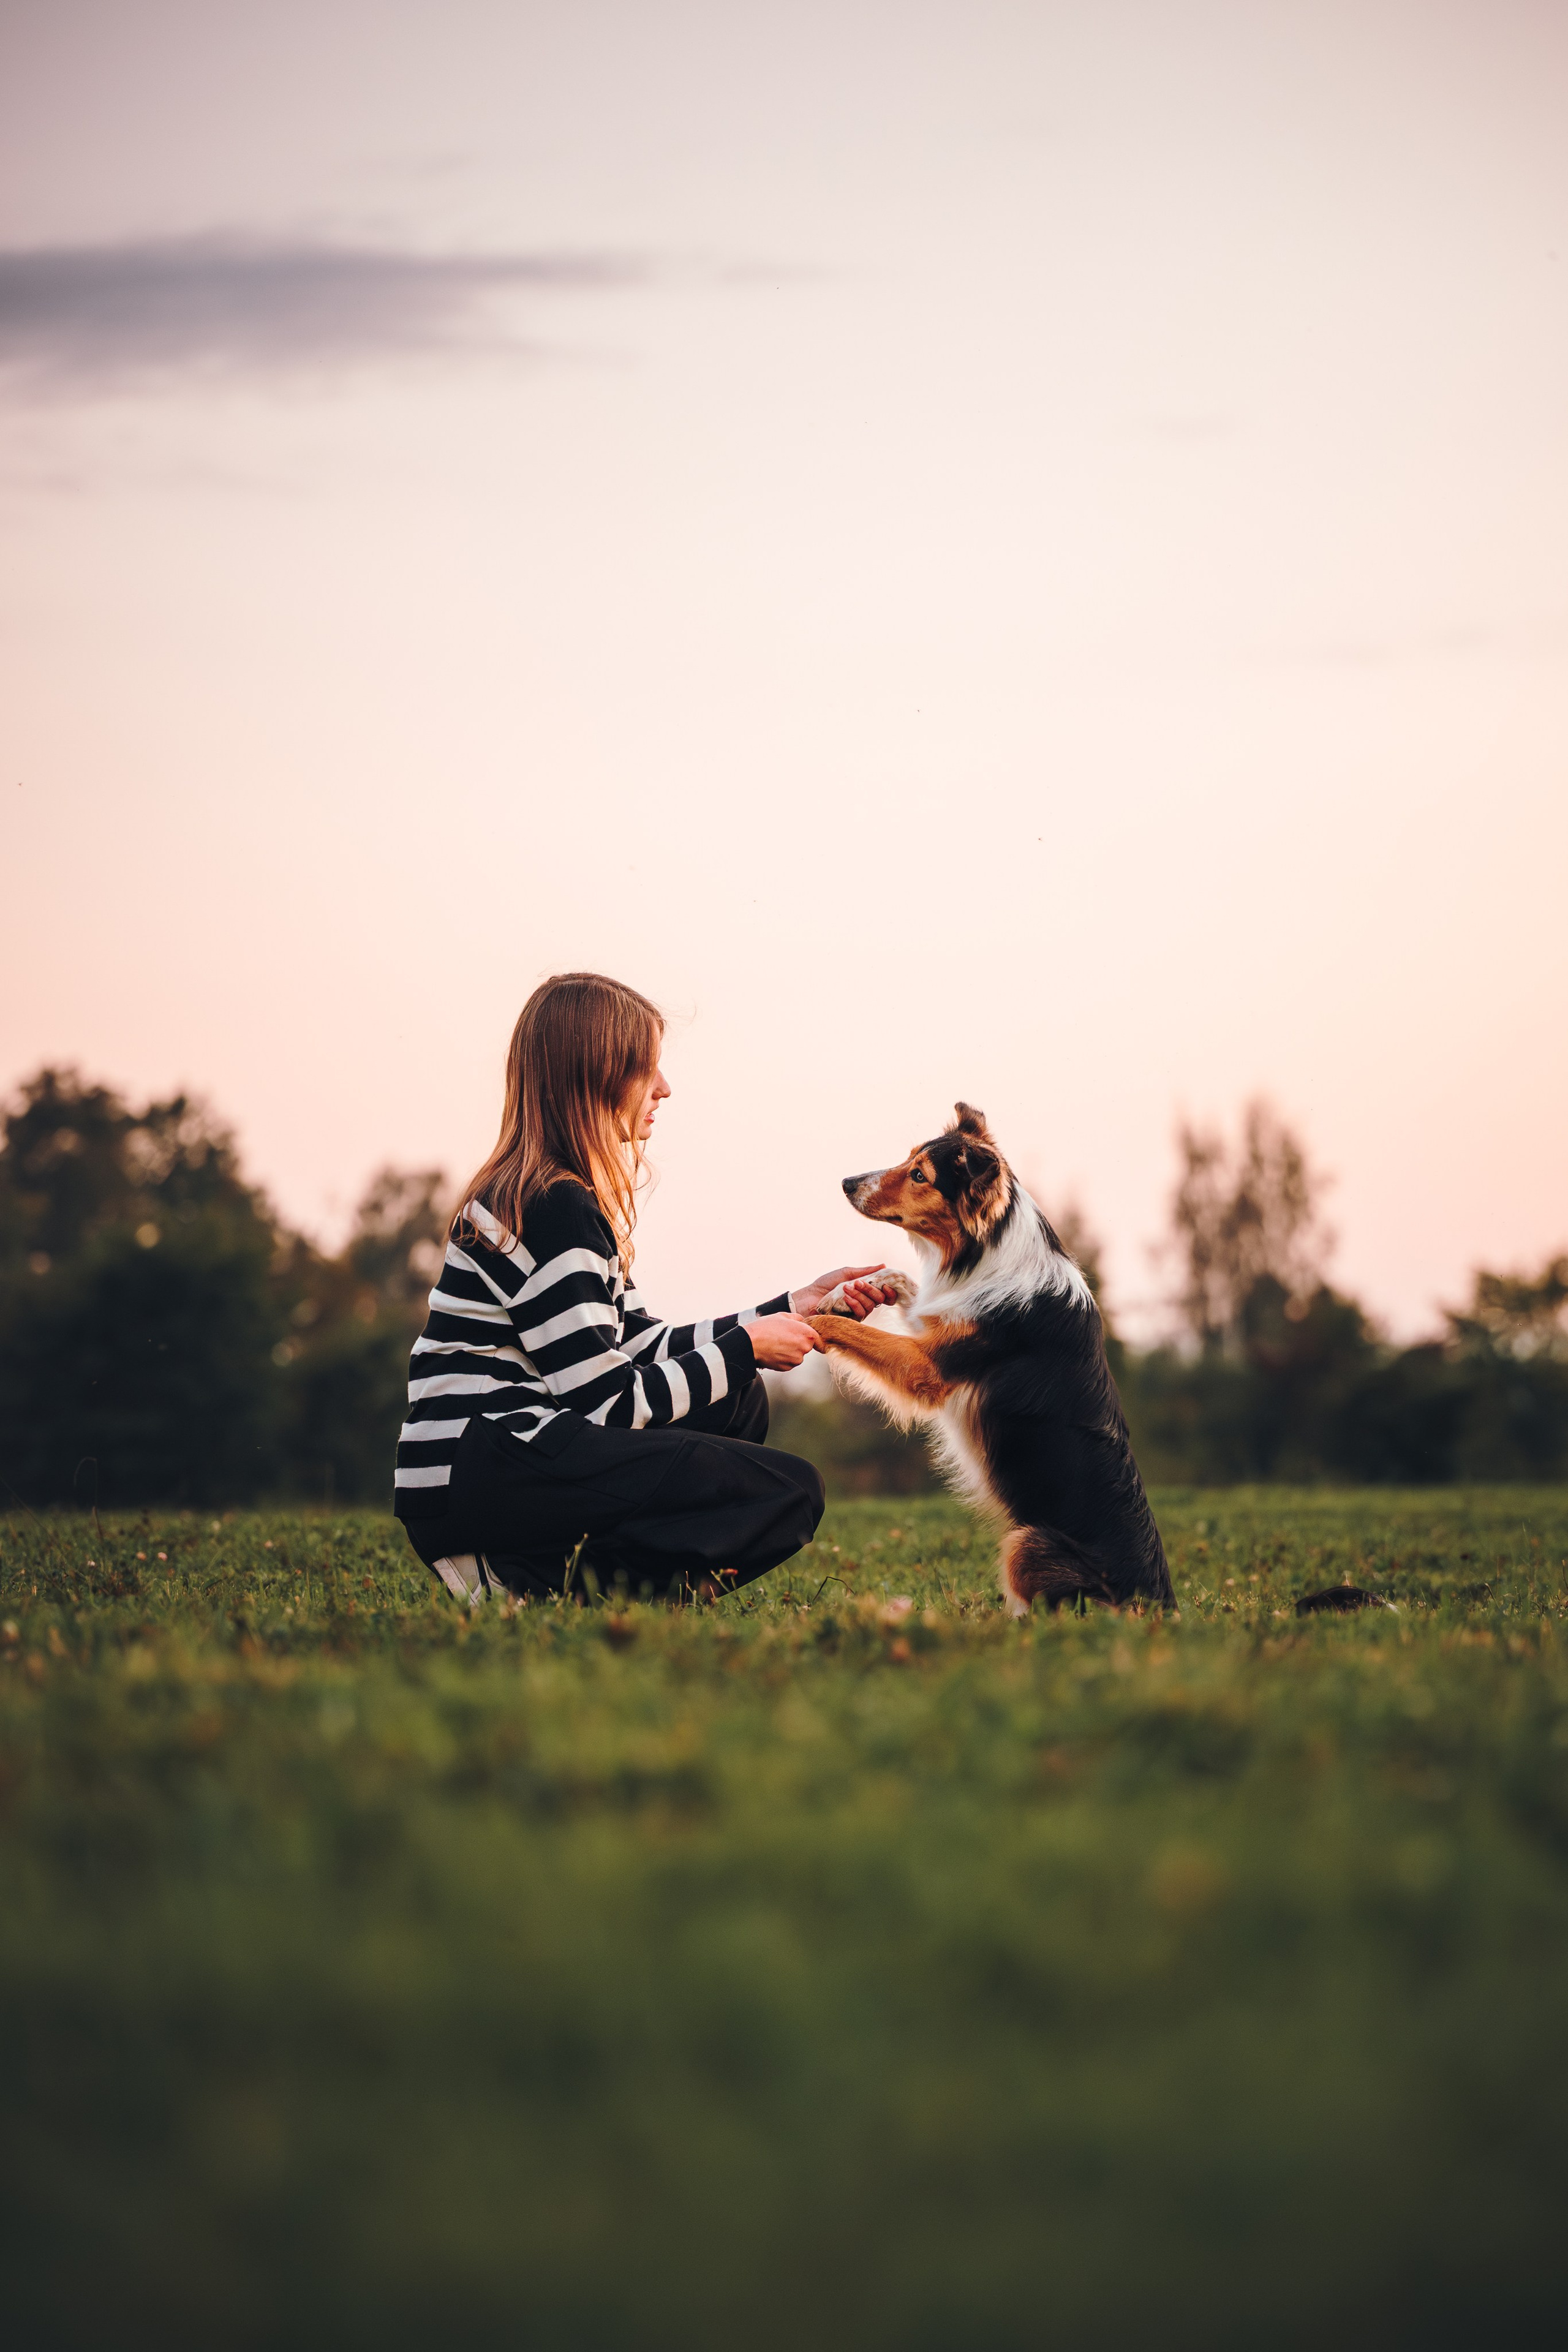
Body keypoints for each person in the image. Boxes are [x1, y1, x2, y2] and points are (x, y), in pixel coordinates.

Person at [394, 972, 892, 1604]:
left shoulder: (556, 1197)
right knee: (789, 1491)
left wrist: (791, 1308)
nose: (664, 1088)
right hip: (483, 1473)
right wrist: (745, 1348)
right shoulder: (550, 1207)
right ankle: (538, 1579)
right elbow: (603, 1401)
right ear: (596, 1076)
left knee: (738, 1400)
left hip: (494, 1466)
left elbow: (636, 1343)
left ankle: (558, 1570)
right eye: (646, 1069)